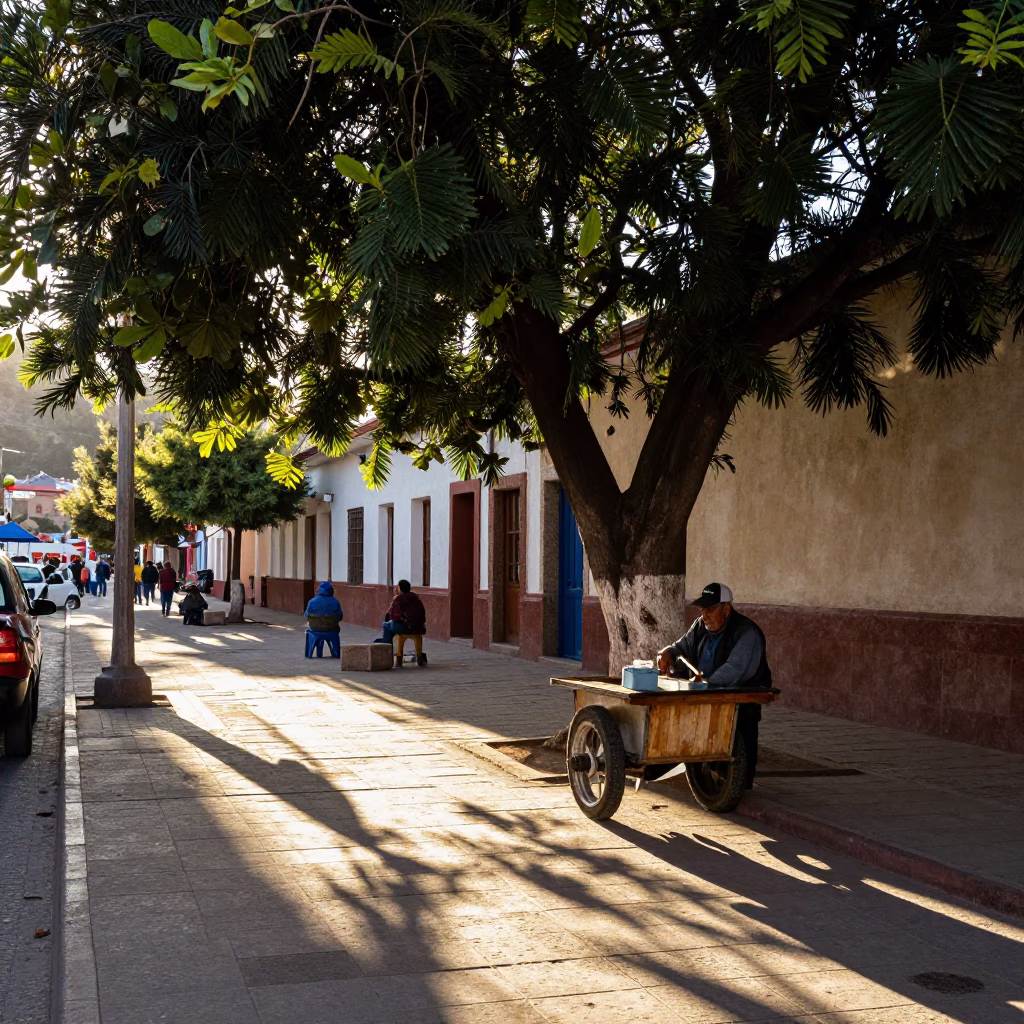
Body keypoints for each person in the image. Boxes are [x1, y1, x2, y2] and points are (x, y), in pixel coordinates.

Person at [656, 582, 773, 788]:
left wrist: (706, 683)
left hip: (739, 700)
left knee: (738, 756)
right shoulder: (700, 625)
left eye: (710, 609)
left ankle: (732, 781)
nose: (704, 615)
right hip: (705, 694)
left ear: (726, 609)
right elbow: (682, 646)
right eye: (702, 610)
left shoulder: (747, 633)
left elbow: (734, 670)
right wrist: (669, 652)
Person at [374, 579, 427, 663]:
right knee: (390, 626)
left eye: (397, 587)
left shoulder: (399, 599)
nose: (396, 589)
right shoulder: (416, 598)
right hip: (419, 628)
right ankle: (417, 654)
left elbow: (393, 616)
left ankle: (387, 649)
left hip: (406, 627)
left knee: (386, 625)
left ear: (400, 588)